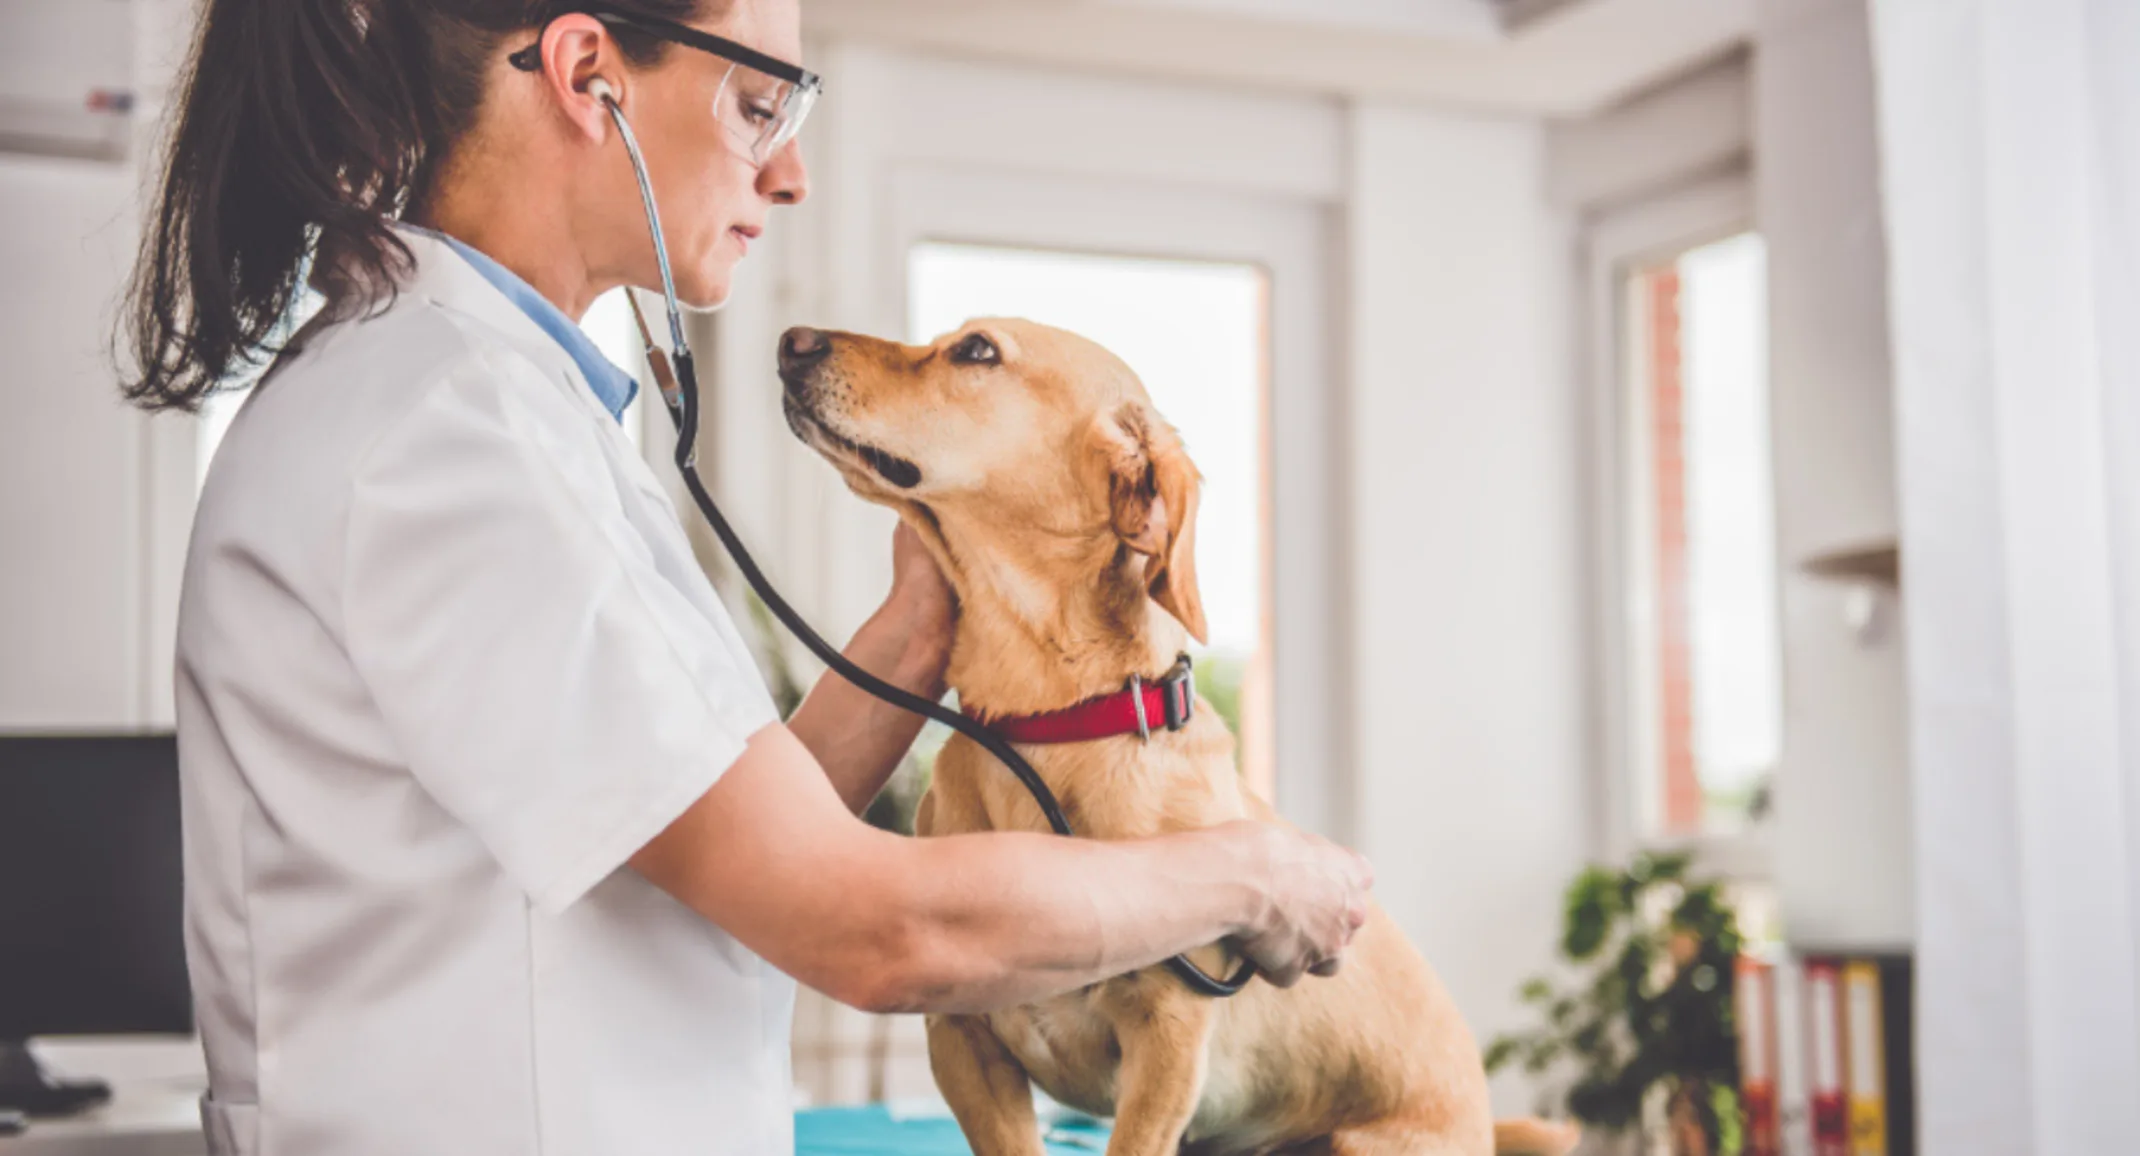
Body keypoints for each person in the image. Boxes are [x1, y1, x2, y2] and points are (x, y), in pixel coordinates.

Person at [120, 2, 1373, 1153]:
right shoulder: (444, 439)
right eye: (758, 106)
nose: (790, 172)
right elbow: (870, 925)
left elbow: (719, 835)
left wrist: (921, 625)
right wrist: (1257, 869)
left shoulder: (499, 416)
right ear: (587, 74)